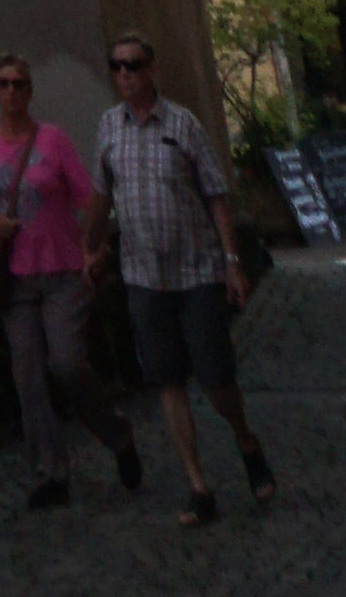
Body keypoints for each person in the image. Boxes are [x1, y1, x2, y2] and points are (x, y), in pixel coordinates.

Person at [93, 26, 274, 520]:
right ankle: (199, 485)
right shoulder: (108, 128)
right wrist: (92, 249)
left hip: (196, 273)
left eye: (133, 65)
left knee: (216, 378)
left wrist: (232, 262)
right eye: (117, 66)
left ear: (151, 71)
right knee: (167, 380)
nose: (125, 75)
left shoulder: (183, 124)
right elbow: (102, 193)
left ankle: (245, 440)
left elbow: (216, 194)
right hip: (143, 277)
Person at [0, 48, 140, 507]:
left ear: (30, 90)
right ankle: (51, 473)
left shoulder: (53, 140)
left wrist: (96, 245)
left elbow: (87, 195)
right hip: (14, 278)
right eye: (3, 83)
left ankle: (117, 435)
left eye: (19, 83)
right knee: (28, 377)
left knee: (66, 364)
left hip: (62, 270)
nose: (11, 92)